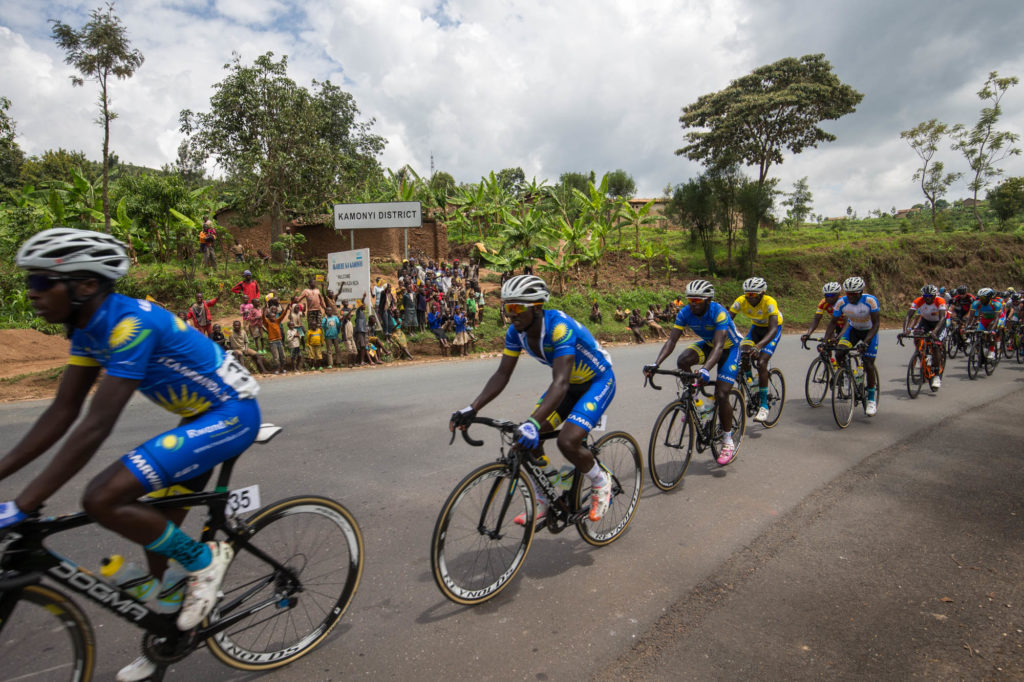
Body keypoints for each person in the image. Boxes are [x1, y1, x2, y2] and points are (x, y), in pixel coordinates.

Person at [0, 228, 259, 682]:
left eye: (41, 283)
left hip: (230, 414)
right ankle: (167, 636)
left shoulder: (130, 325)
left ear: (85, 285)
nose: (32, 294)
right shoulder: (87, 331)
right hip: (198, 418)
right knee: (156, 541)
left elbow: (96, 426)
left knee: (102, 497)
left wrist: (24, 504)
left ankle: (205, 561)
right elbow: (61, 413)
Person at [449, 275, 615, 525]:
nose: (511, 315)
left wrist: (533, 423)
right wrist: (472, 408)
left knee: (566, 441)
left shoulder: (559, 328)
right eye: (507, 308)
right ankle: (545, 496)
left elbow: (559, 382)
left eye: (517, 308)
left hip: (596, 382)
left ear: (536, 308)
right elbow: (502, 374)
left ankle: (601, 482)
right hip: (567, 386)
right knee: (526, 443)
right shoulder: (516, 333)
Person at [643, 279, 741, 464]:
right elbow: (671, 341)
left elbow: (719, 346)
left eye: (697, 301)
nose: (693, 304)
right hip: (709, 345)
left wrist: (705, 369)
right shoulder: (684, 313)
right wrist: (655, 364)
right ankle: (696, 403)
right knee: (683, 361)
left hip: (729, 349)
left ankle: (728, 440)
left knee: (721, 394)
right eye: (690, 300)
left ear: (707, 300)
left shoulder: (719, 313)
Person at [823, 276, 881, 417]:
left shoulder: (870, 301)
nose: (850, 297)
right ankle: (848, 375)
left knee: (868, 363)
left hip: (869, 331)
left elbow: (876, 324)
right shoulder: (842, 302)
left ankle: (871, 398)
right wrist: (826, 341)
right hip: (852, 331)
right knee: (839, 353)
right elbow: (832, 323)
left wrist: (866, 342)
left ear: (860, 292)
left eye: (854, 294)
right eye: (848, 293)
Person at [728, 277, 783, 423]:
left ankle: (764, 406)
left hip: (772, 330)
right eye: (747, 294)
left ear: (762, 293)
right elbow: (726, 320)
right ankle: (751, 383)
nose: (750, 297)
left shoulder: (769, 302)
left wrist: (758, 347)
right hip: (756, 329)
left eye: (753, 294)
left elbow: (772, 330)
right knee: (744, 354)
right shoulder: (740, 301)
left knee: (761, 363)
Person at [903, 284, 948, 390]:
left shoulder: (940, 301)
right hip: (926, 322)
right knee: (917, 335)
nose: (927, 298)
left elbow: (942, 318)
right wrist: (905, 331)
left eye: (930, 296)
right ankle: (921, 353)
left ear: (934, 296)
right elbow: (909, 315)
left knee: (936, 345)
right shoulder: (918, 300)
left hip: (939, 323)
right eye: (925, 296)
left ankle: (936, 375)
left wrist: (935, 332)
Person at [964, 287, 1004, 361]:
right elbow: (971, 317)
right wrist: (967, 326)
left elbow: (996, 319)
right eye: (980, 297)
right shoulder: (976, 303)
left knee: (990, 333)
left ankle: (992, 350)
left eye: (983, 298)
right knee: (978, 334)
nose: (981, 300)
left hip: (995, 320)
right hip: (984, 320)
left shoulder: (996, 304)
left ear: (989, 297)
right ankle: (980, 351)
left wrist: (992, 330)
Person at [263, 300, 289, 373]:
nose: (273, 318)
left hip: (279, 341)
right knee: (276, 357)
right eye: (271, 317)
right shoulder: (267, 323)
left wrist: (287, 308)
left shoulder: (277, 321)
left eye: (274, 317)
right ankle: (276, 369)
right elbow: (263, 318)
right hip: (272, 342)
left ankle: (282, 368)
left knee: (283, 356)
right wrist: (265, 308)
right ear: (269, 318)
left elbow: (283, 315)